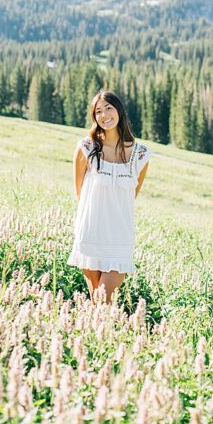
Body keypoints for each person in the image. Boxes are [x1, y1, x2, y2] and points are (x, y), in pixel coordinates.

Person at [67, 89, 151, 305]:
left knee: (103, 297)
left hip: (119, 237)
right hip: (91, 232)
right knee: (97, 300)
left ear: (119, 111)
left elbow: (133, 195)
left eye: (109, 108)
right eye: (98, 111)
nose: (104, 115)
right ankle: (94, 338)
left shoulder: (140, 154)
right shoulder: (86, 147)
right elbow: (80, 191)